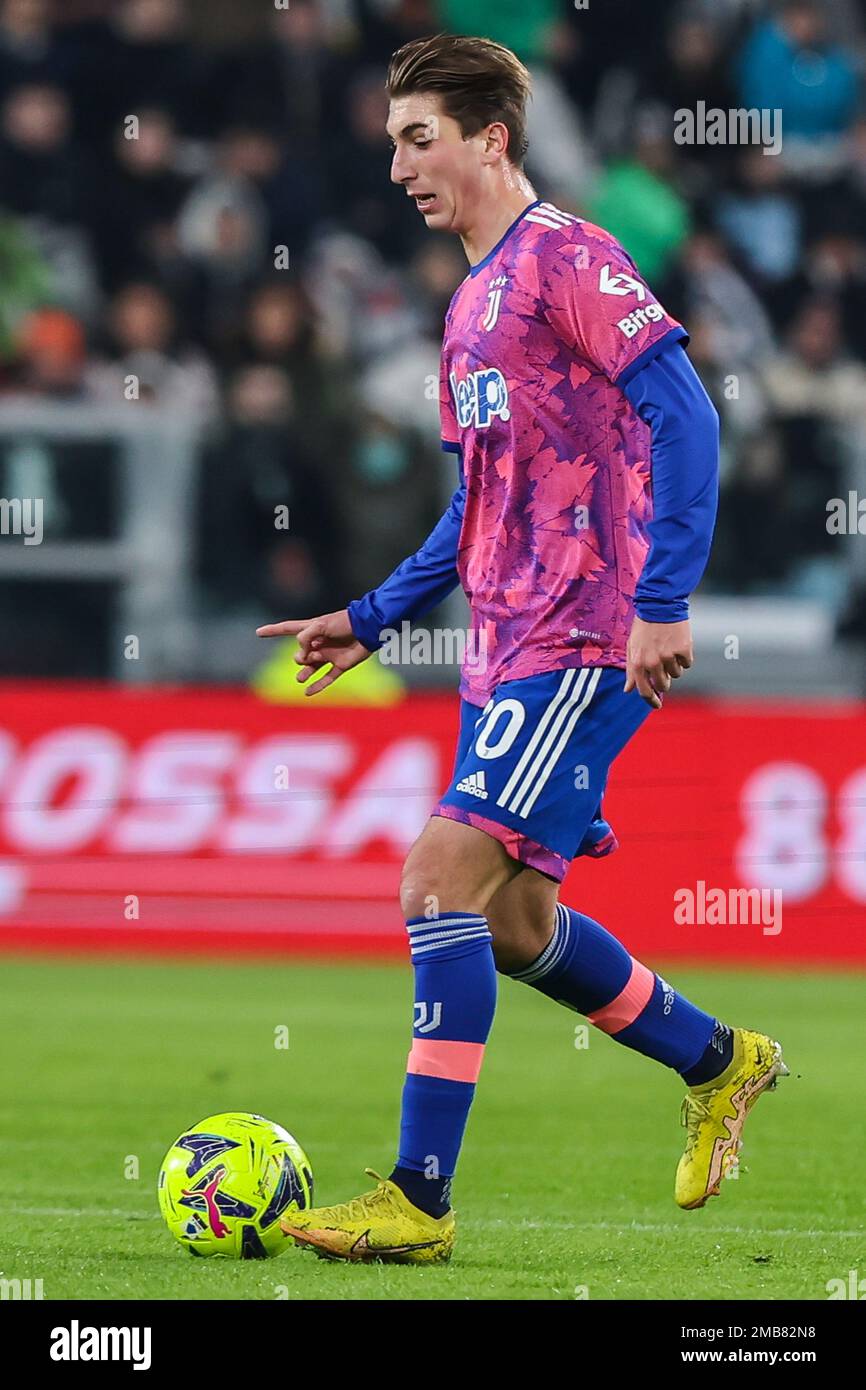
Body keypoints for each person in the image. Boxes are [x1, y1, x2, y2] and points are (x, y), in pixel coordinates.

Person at [257, 34, 787, 1265]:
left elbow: (685, 413)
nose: (395, 165)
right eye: (391, 140)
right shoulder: (466, 302)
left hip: (582, 635)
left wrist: (662, 600)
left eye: (417, 137)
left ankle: (416, 1201)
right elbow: (475, 500)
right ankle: (722, 1061)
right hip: (504, 646)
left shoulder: (568, 259)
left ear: (491, 138)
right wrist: (375, 613)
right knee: (508, 923)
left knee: (436, 881)